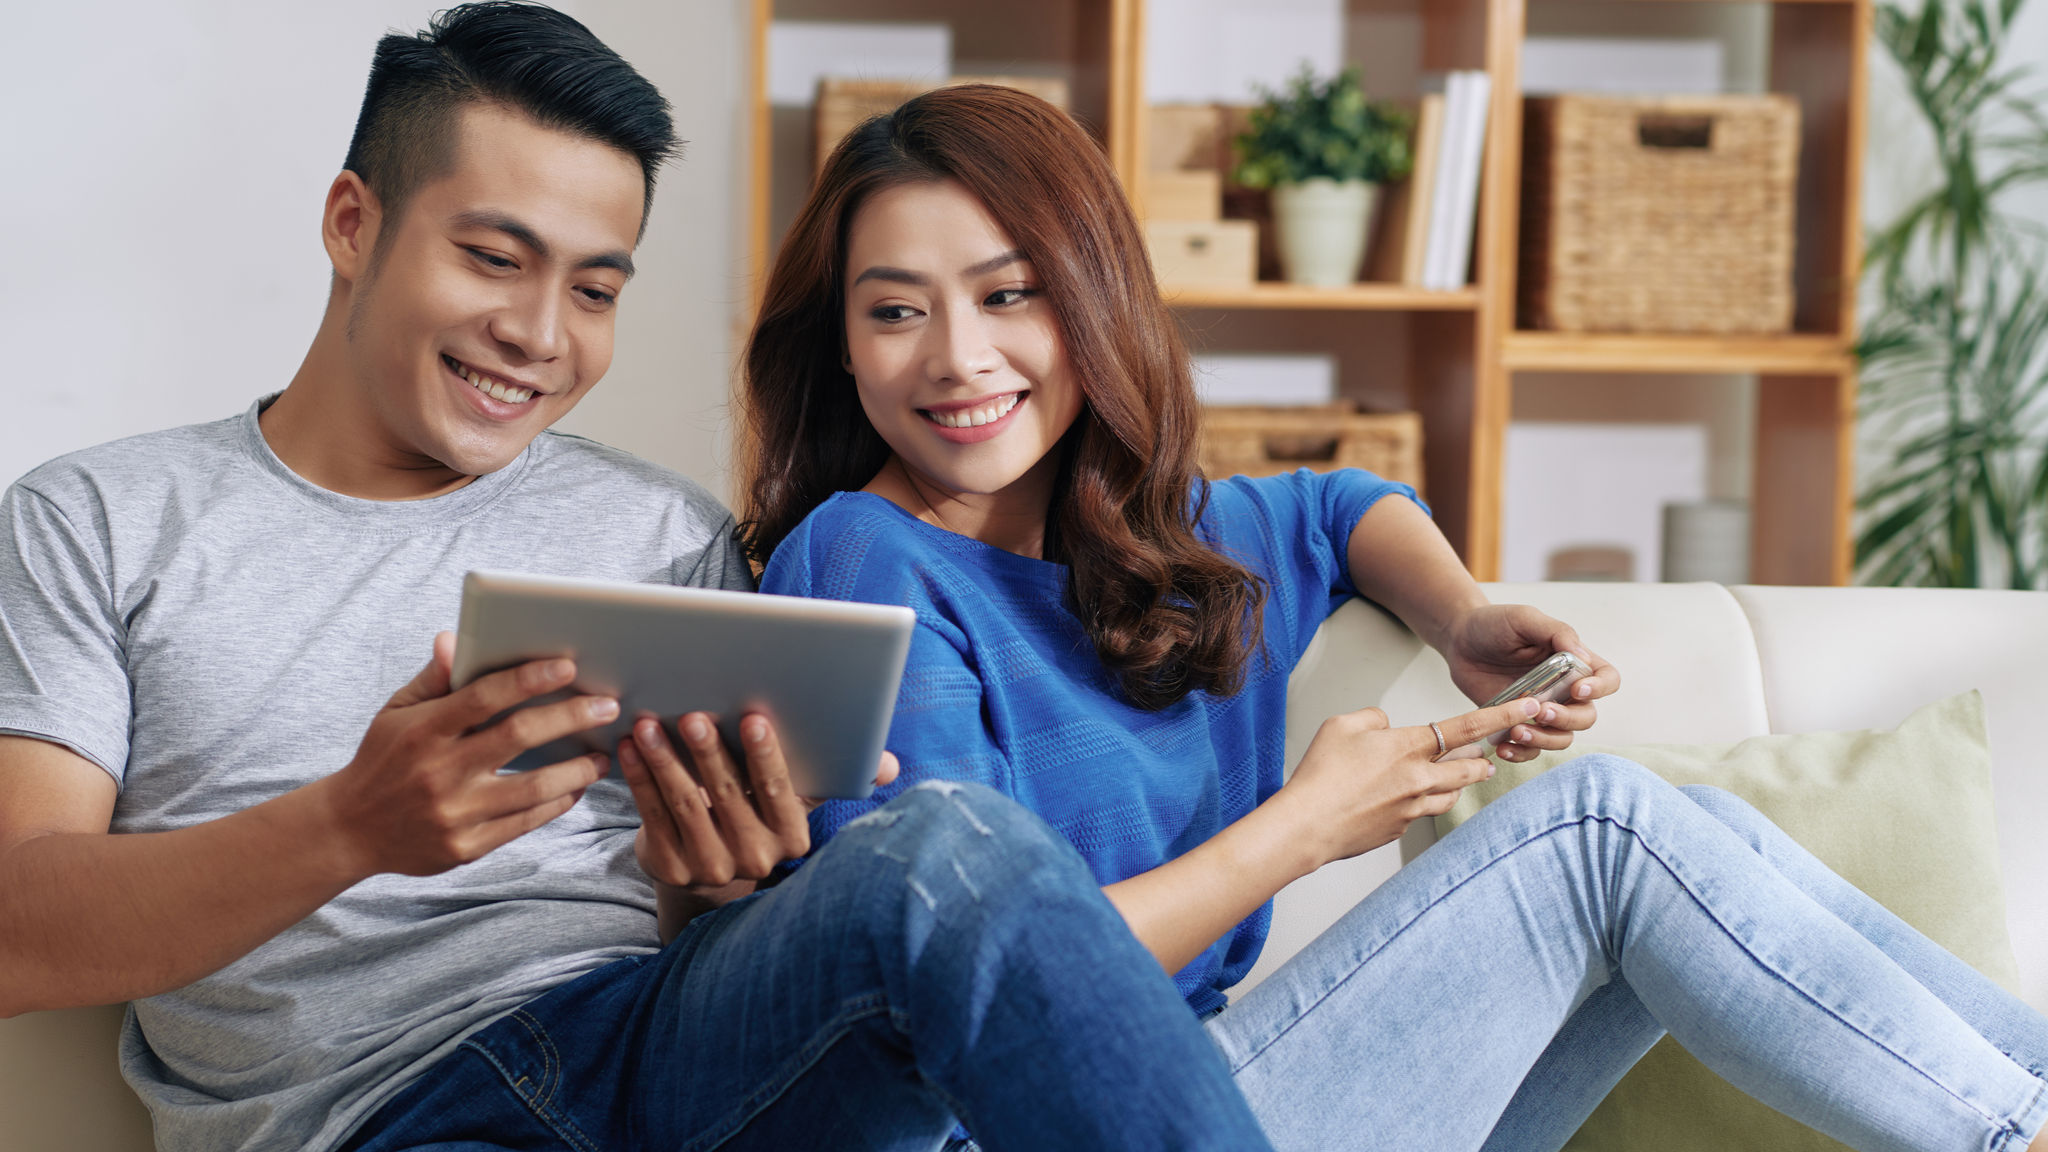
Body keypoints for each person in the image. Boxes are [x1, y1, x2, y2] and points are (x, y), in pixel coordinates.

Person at [0, 8, 1279, 1152]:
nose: (540, 334)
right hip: (378, 1111)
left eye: (595, 287)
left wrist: (709, 881)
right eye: (495, 259)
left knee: (948, 846)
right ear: (353, 223)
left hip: (666, 1051)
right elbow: (15, 926)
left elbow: (741, 938)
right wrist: (348, 828)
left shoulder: (664, 533)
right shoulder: (102, 520)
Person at [735, 82, 2048, 1152]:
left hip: (1225, 1097)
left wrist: (1465, 617)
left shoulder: (1159, 543)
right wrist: (1304, 829)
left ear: (1091, 303)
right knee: (1603, 825)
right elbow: (982, 978)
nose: (957, 356)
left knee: (1686, 825)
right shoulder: (862, 558)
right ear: (842, 346)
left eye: (1008, 294)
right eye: (896, 311)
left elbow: (1337, 507)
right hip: (1036, 1121)